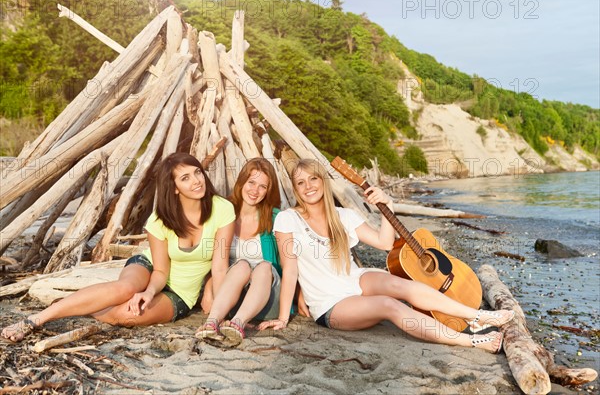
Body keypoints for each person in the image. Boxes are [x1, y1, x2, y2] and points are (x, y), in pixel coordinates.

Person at [258, 159, 515, 353]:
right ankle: (469, 341)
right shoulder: (287, 219)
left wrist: (386, 207)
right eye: (300, 183)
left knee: (401, 285)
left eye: (313, 179)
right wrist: (283, 316)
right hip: (329, 303)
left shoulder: (343, 217)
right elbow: (289, 269)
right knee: (389, 305)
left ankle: (476, 315)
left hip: (355, 280)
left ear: (322, 181)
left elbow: (384, 243)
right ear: (294, 189)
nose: (308, 187)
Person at [1, 153, 235, 342]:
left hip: (182, 293)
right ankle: (36, 319)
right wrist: (148, 291)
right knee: (124, 289)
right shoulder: (159, 221)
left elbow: (220, 266)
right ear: (174, 187)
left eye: (197, 172)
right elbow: (161, 271)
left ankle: (83, 305)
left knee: (125, 315)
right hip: (150, 268)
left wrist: (218, 311)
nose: (196, 181)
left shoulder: (222, 210)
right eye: (185, 178)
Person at [195, 158, 283, 346]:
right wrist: (209, 288)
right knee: (241, 265)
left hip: (266, 297)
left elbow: (291, 264)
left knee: (264, 266)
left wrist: (299, 299)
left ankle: (238, 324)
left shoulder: (276, 217)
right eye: (251, 182)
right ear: (242, 181)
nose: (255, 190)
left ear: (268, 191)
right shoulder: (223, 211)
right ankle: (213, 321)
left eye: (262, 186)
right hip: (229, 298)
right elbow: (212, 260)